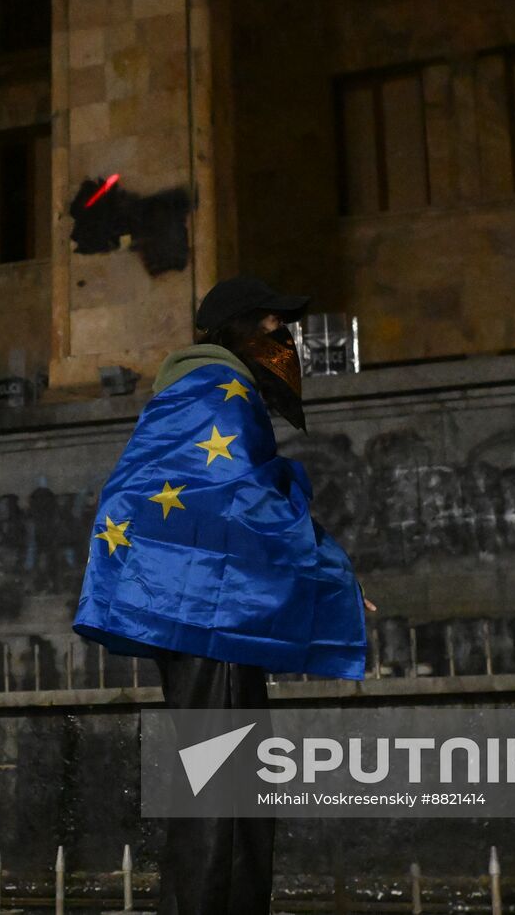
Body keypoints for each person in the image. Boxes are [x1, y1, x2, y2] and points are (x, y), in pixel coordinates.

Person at [72, 275, 376, 915]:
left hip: (193, 606)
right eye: (273, 327)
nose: (285, 340)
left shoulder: (187, 392)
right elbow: (246, 500)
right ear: (237, 330)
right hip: (209, 612)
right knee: (230, 791)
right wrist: (329, 573)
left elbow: (223, 500)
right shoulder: (220, 391)